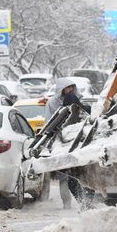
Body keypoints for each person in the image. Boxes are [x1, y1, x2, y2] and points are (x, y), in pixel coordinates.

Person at [44, 78, 92, 209]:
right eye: (67, 88)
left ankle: (86, 203)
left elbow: (85, 117)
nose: (70, 90)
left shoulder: (77, 100)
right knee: (65, 177)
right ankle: (67, 205)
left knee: (84, 175)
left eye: (72, 87)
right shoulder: (52, 103)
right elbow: (48, 123)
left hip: (78, 140)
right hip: (62, 141)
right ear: (61, 89)